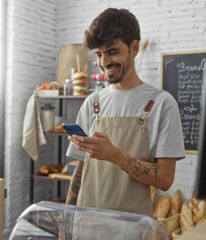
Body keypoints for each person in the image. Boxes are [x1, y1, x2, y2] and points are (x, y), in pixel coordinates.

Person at [65, 8, 185, 217]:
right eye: (99, 54)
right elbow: (80, 169)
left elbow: (165, 179)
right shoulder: (92, 102)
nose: (103, 63)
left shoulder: (161, 104)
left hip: (132, 227)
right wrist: (65, 219)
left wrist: (114, 155)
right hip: (86, 221)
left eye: (112, 52)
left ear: (134, 48)